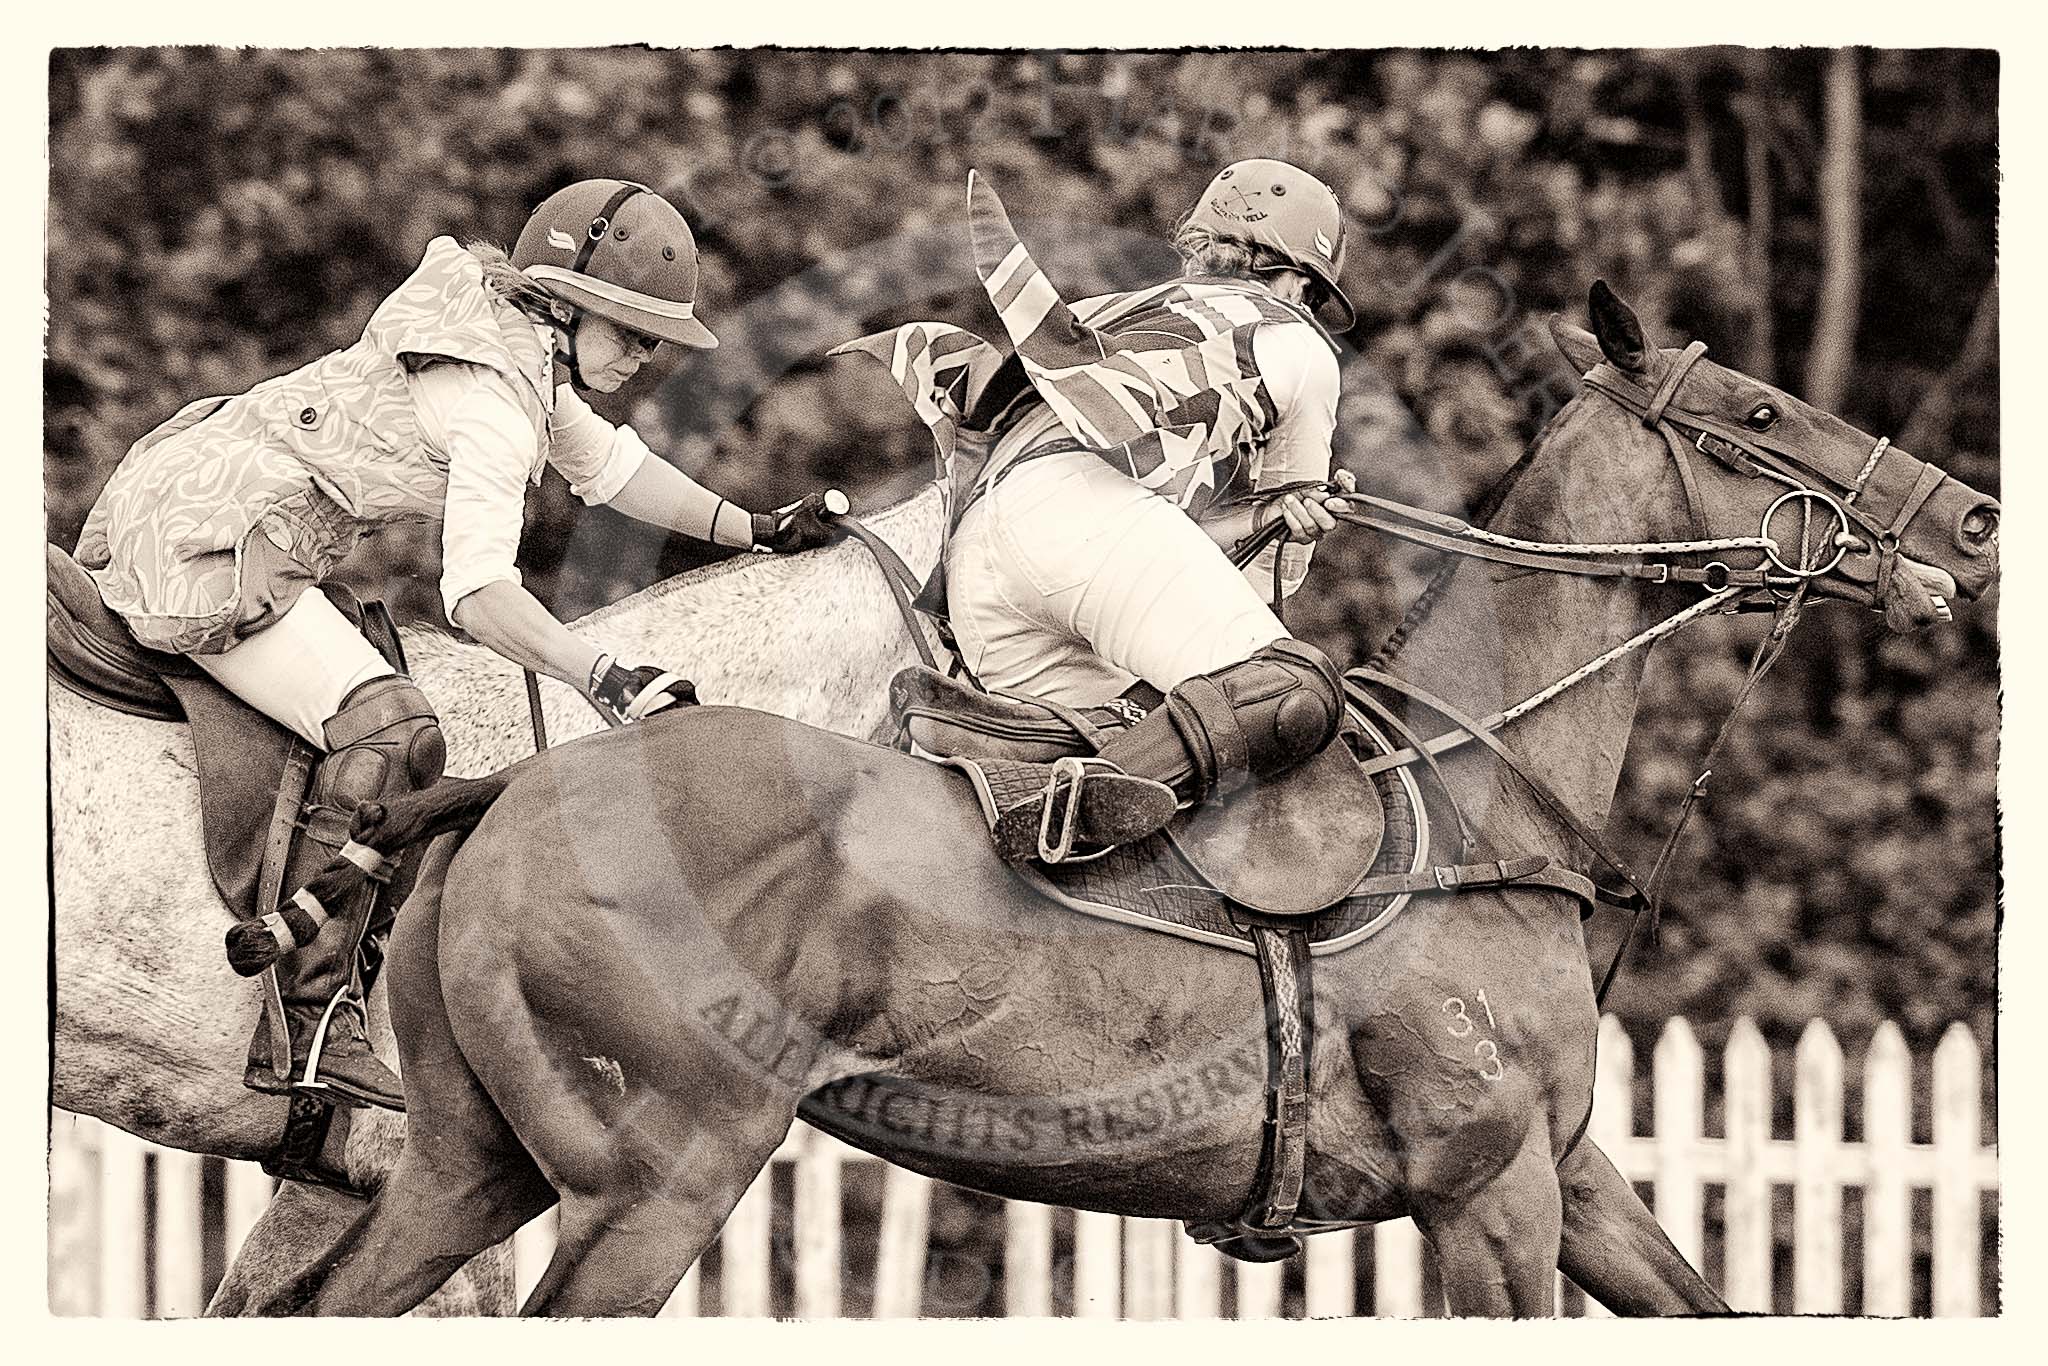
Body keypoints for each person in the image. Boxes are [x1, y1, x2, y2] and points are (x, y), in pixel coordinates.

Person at [75, 179, 835, 1110]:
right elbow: (476, 595)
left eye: (653, 339)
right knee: (394, 733)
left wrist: (755, 529)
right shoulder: (493, 406)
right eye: (631, 331)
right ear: (564, 306)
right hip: (214, 543)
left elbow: (612, 469)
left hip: (215, 493)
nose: (644, 355)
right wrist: (606, 675)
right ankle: (310, 1028)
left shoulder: (513, 351)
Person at [853, 159, 1359, 865]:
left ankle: (1012, 761)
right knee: (1289, 688)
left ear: (1200, 244)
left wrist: (1255, 521)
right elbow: (1274, 576)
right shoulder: (1300, 342)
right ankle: (1075, 801)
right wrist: (1289, 529)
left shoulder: (1115, 310)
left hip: (979, 566)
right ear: (1301, 280)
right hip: (1080, 529)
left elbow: (1145, 543)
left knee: (1134, 725)